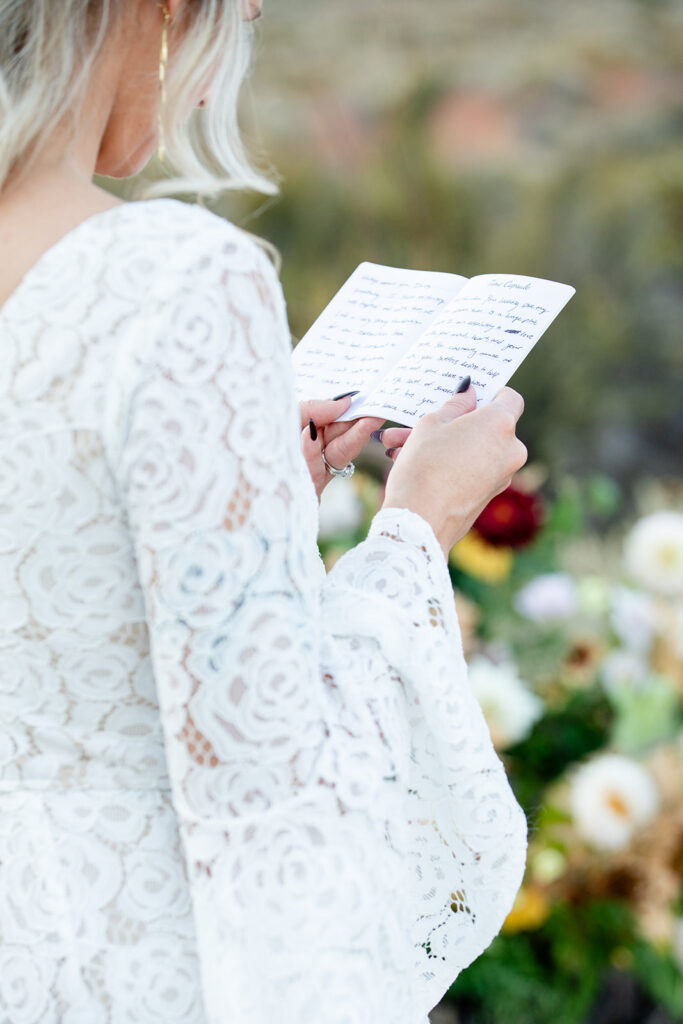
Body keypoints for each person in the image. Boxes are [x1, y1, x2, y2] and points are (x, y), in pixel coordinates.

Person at [0, 1, 530, 1022]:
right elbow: (277, 805)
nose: (213, 73)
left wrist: (246, 501)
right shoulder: (171, 281)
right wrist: (417, 527)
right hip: (117, 971)